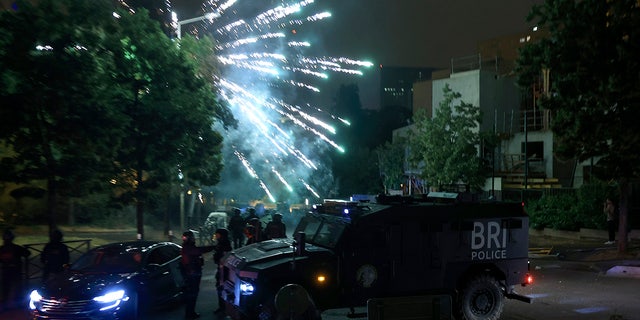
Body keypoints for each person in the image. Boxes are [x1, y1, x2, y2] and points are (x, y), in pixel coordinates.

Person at [180, 230, 215, 319]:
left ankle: (191, 313)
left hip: (193, 272)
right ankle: (189, 314)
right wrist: (212, 247)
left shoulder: (188, 246)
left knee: (193, 294)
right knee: (192, 294)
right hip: (192, 273)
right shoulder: (188, 247)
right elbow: (199, 251)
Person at [0, 229, 31, 310]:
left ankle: (6, 304)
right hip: (14, 270)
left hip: (8, 270)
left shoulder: (3, 248)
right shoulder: (16, 248)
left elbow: (27, 253)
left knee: (7, 288)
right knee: (16, 288)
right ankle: (17, 304)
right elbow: (27, 253)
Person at [212, 228, 232, 314]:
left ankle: (224, 307)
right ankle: (222, 306)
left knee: (221, 287)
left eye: (218, 234)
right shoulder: (221, 243)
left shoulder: (225, 244)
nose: (216, 236)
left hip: (224, 269)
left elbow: (224, 257)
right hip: (221, 268)